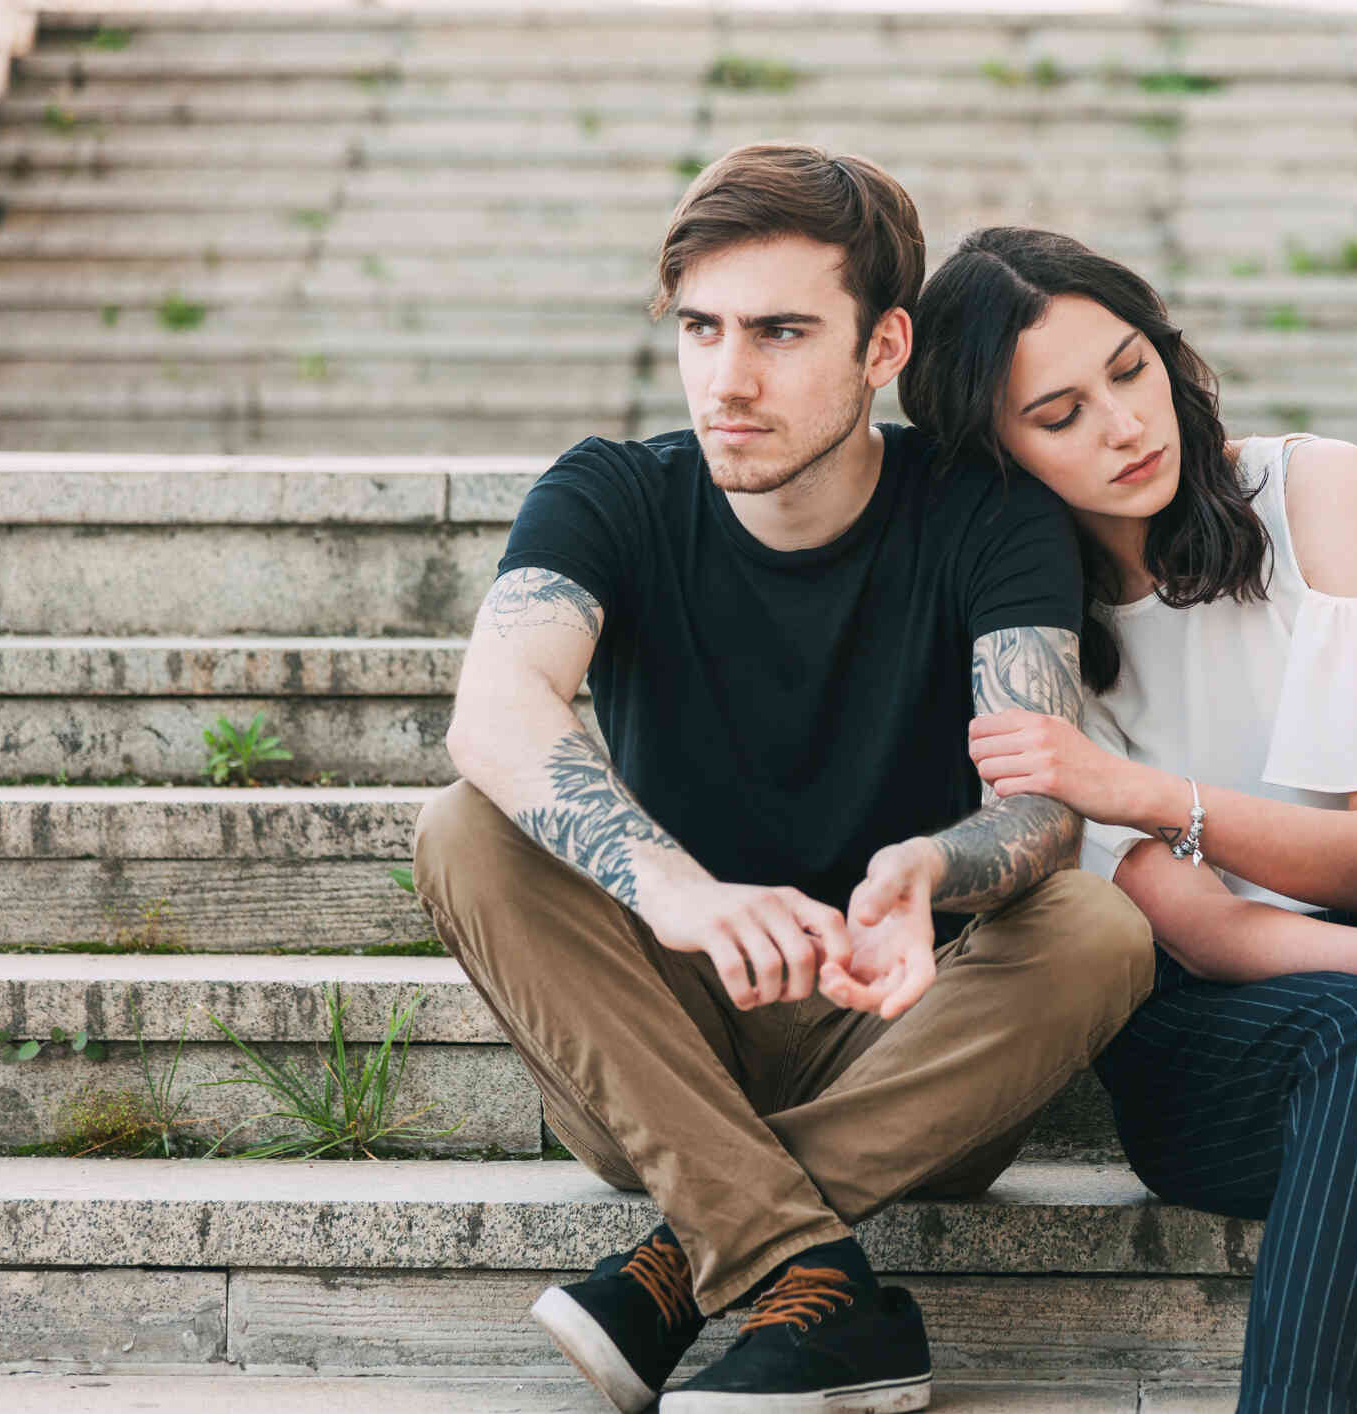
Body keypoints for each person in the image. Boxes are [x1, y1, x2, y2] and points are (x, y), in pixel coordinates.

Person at [411, 153, 1154, 1414]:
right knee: (466, 828)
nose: (728, 379)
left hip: (911, 1040)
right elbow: (493, 710)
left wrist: (930, 867)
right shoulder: (612, 494)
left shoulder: (987, 514)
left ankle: (675, 1261)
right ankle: (818, 1287)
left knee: (1100, 923)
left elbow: (1040, 802)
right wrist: (680, 893)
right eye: (700, 329)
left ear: (883, 349)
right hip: (654, 1045)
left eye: (780, 332)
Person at [899, 226, 1357, 1414]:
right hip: (1245, 1073)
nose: (1125, 427)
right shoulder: (1033, 631)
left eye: (1129, 372)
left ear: (1170, 358)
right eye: (1060, 413)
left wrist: (1141, 793)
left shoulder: (1313, 493)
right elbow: (1197, 929)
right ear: (997, 453)